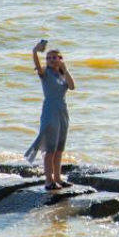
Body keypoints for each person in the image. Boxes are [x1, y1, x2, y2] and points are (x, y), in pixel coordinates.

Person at [25, 40, 75, 190]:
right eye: (49, 58)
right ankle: (48, 181)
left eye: (54, 57)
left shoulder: (62, 75)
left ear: (60, 59)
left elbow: (72, 87)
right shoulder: (45, 73)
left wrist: (65, 70)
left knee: (59, 148)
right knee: (50, 149)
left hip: (62, 112)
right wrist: (35, 51)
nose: (51, 60)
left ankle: (57, 178)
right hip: (49, 111)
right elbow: (37, 64)